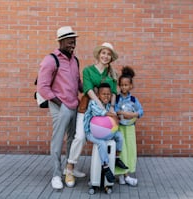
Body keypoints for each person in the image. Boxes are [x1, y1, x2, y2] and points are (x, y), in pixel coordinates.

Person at [65, 42, 119, 186]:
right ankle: (69, 168)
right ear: (98, 54)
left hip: (105, 112)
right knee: (80, 137)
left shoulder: (113, 74)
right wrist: (100, 105)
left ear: (111, 57)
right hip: (88, 109)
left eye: (108, 54)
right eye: (103, 53)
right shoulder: (88, 70)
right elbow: (88, 89)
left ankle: (108, 167)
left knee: (112, 137)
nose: (105, 56)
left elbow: (113, 92)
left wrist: (112, 108)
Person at [37, 26, 83, 190]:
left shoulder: (75, 60)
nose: (73, 45)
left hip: (75, 104)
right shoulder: (51, 60)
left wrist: (91, 91)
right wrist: (60, 103)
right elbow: (42, 87)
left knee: (73, 138)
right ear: (61, 41)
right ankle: (56, 175)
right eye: (70, 42)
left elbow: (78, 84)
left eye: (74, 42)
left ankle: (69, 168)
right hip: (60, 105)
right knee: (58, 141)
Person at [84, 83, 129, 182]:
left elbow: (113, 120)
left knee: (119, 136)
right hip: (91, 133)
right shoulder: (93, 103)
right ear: (98, 95)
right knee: (101, 143)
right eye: (104, 94)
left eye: (108, 94)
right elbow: (100, 113)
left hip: (105, 133)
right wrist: (113, 116)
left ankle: (117, 158)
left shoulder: (109, 106)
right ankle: (105, 166)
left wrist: (118, 118)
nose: (106, 96)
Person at [114, 66, 144, 186]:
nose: (124, 87)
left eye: (126, 85)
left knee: (130, 150)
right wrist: (122, 113)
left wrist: (132, 114)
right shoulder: (116, 99)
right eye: (121, 85)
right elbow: (115, 110)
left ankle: (126, 173)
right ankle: (123, 175)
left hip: (130, 129)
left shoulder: (133, 99)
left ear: (131, 86)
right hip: (120, 127)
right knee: (122, 151)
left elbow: (141, 111)